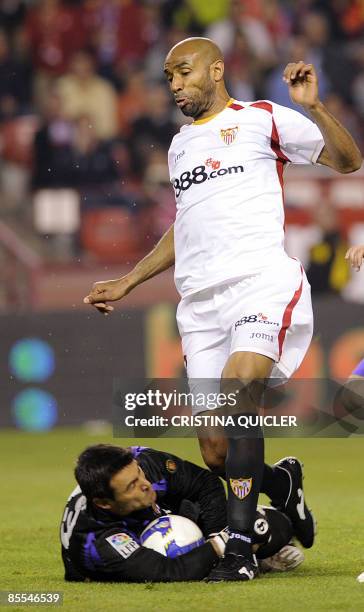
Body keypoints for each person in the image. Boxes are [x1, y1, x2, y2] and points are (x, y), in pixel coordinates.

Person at [84, 37, 362, 581]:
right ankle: (282, 485)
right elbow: (184, 227)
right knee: (216, 452)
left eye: (183, 72)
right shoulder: (180, 146)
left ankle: (238, 553)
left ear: (216, 69)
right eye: (168, 77)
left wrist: (315, 108)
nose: (175, 85)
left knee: (239, 396)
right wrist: (129, 280)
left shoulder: (263, 119)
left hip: (259, 282)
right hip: (201, 303)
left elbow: (349, 162)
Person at [60, 444, 304, 583]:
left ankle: (247, 556)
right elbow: (169, 572)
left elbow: (207, 484)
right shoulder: (100, 543)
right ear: (104, 503)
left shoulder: (147, 465)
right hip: (123, 554)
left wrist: (219, 537)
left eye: (138, 474)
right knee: (245, 534)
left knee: (273, 525)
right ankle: (254, 558)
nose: (145, 484)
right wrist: (222, 543)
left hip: (164, 516)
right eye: (131, 486)